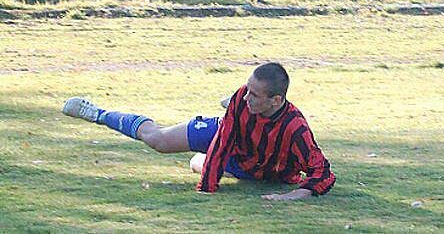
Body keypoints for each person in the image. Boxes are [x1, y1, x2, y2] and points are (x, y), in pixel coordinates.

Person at [62, 62, 335, 199]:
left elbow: (322, 173)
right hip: (227, 131)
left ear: (276, 100)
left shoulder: (295, 128)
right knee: (158, 140)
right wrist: (207, 188)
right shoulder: (241, 102)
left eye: (254, 95)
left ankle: (211, 163)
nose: (245, 97)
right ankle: (98, 113)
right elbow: (222, 142)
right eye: (246, 91)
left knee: (197, 163)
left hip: (254, 167)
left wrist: (290, 197)